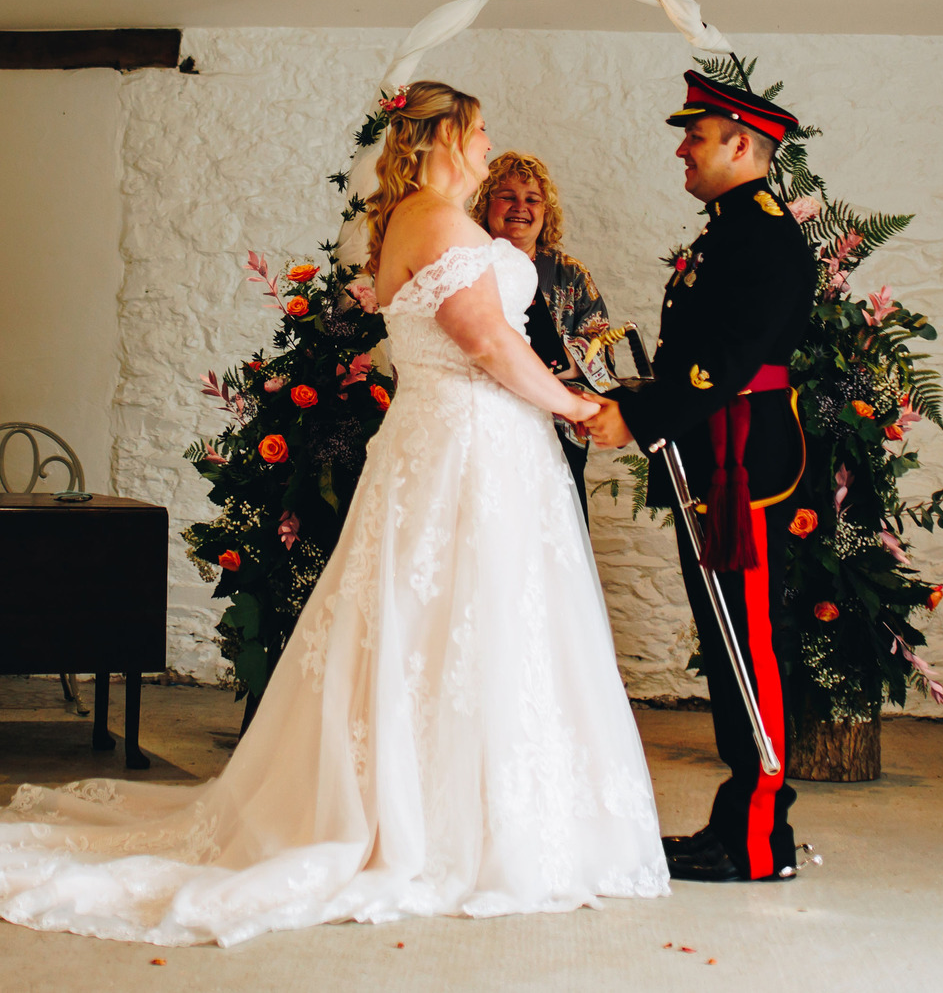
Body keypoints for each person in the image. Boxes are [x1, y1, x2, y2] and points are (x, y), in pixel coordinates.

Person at [0, 81, 668, 946]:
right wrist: (579, 408)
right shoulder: (432, 216)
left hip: (469, 441)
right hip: (466, 443)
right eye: (479, 129)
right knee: (462, 613)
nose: (489, 140)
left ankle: (484, 806)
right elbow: (488, 341)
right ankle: (444, 827)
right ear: (441, 139)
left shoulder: (418, 217)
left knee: (474, 619)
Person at [589, 68, 817, 887]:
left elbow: (720, 364)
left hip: (742, 466)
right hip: (716, 457)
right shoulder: (732, 228)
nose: (682, 150)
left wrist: (639, 418)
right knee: (729, 645)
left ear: (741, 145)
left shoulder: (757, 233)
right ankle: (735, 826)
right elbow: (701, 356)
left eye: (694, 137)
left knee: (750, 646)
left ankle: (759, 841)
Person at [471, 150, 614, 524]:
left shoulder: (570, 274)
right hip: (484, 429)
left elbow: (605, 357)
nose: (521, 207)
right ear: (485, 204)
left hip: (559, 432)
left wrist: (555, 365)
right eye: (507, 195)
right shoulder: (468, 267)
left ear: (545, 211)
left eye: (532, 199)